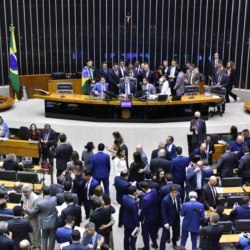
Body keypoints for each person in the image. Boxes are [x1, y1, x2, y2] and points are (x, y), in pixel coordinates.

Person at [24, 186, 58, 250]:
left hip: (44, 223)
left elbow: (32, 212)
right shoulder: (55, 199)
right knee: (52, 238)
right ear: (50, 191)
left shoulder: (40, 203)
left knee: (44, 238)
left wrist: (26, 208)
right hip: (53, 222)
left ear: (43, 192)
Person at [138, 181, 159, 250]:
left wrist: (140, 219)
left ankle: (146, 247)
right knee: (152, 232)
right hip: (155, 215)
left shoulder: (145, 199)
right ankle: (155, 244)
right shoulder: (154, 191)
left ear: (144, 189)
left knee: (145, 233)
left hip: (147, 218)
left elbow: (143, 211)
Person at [160, 185, 181, 250]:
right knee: (164, 236)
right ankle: (162, 248)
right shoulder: (165, 200)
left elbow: (178, 204)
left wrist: (179, 211)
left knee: (176, 233)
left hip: (176, 218)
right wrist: (165, 222)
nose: (174, 194)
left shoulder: (178, 195)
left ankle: (174, 243)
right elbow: (163, 212)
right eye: (173, 192)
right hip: (168, 219)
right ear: (170, 192)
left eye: (176, 192)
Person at [21, 184, 41, 249]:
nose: (24, 194)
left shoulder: (36, 198)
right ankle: (33, 244)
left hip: (34, 218)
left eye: (26, 192)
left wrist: (25, 217)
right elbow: (23, 203)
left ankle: (38, 246)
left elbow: (34, 212)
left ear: (30, 191)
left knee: (36, 233)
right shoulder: (23, 195)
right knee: (30, 233)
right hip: (26, 217)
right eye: (23, 192)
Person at [122, 186, 139, 250]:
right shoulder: (134, 203)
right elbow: (135, 216)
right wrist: (137, 225)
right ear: (134, 193)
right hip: (133, 224)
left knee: (126, 236)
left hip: (126, 220)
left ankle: (126, 248)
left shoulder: (124, 197)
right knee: (133, 238)